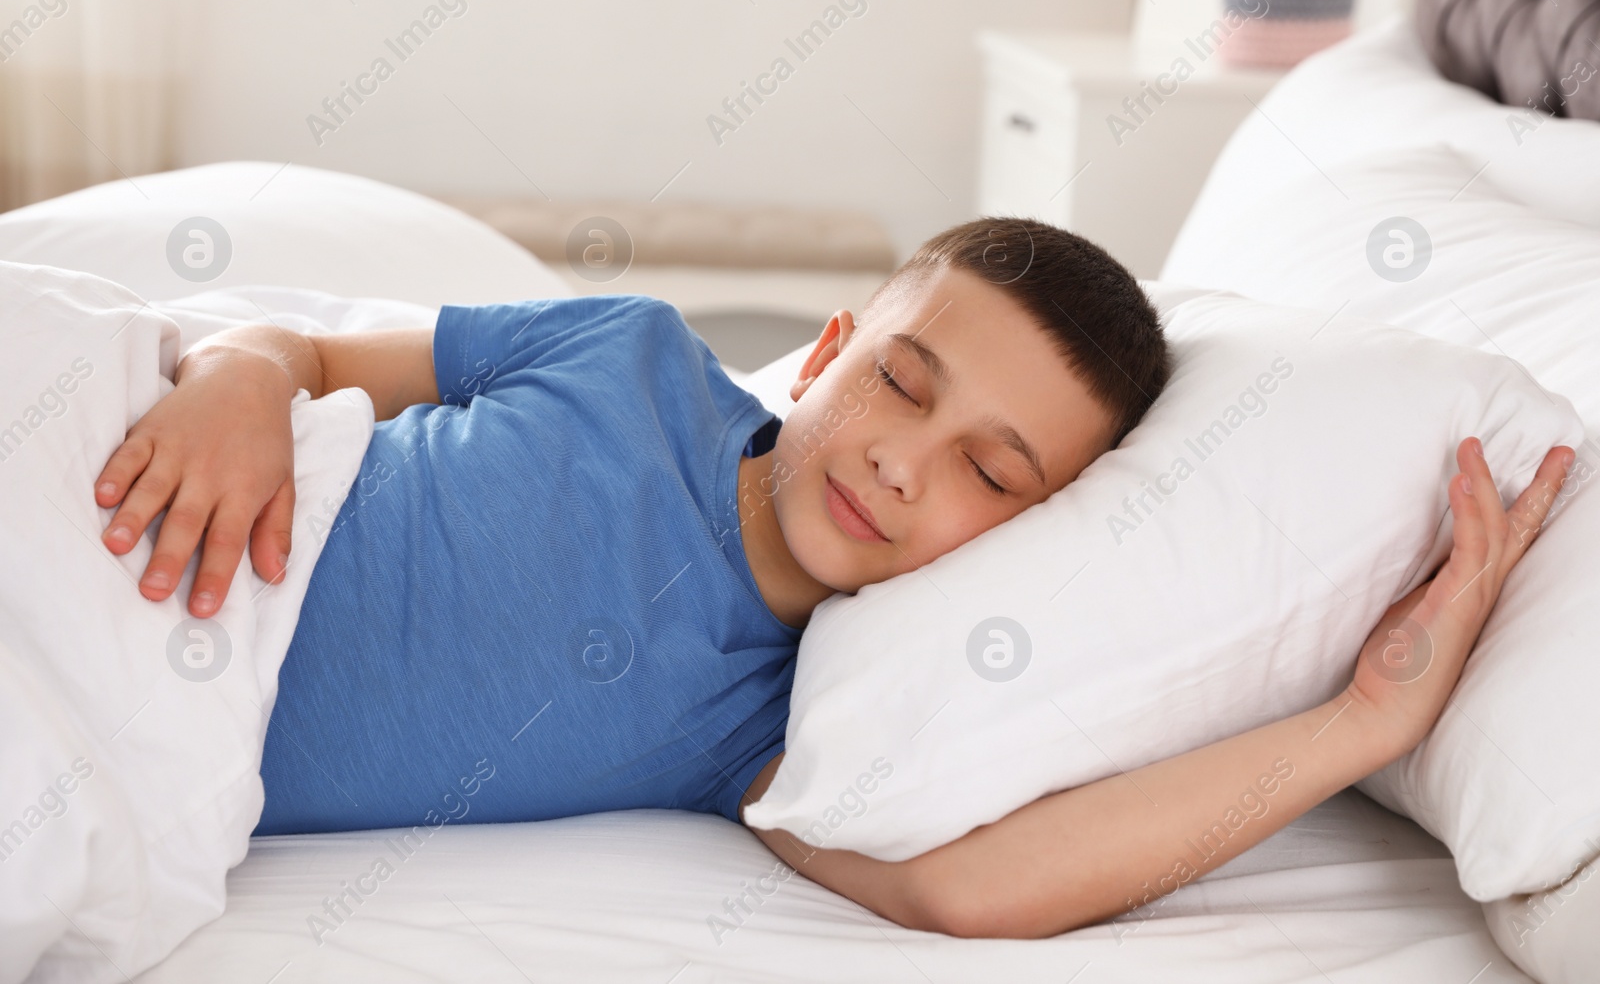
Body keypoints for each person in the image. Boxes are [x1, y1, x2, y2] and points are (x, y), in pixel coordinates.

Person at [91, 216, 1571, 939]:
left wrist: (1366, 724)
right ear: (825, 351)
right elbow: (325, 351)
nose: (905, 467)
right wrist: (232, 372)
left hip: (112, 704)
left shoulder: (773, 718)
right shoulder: (625, 354)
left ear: (1034, 533)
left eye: (997, 477)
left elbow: (960, 888)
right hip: (109, 469)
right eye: (899, 385)